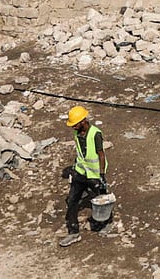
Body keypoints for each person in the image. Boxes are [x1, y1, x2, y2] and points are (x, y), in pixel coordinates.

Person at [59, 105, 109, 246]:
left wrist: (102, 175)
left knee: (102, 198)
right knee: (72, 200)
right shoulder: (77, 133)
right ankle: (73, 232)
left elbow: (101, 155)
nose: (73, 127)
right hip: (80, 173)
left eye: (75, 124)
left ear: (83, 121)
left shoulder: (95, 134)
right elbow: (80, 152)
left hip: (94, 173)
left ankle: (106, 222)